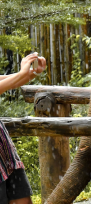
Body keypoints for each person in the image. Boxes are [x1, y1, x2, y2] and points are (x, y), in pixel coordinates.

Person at [0, 52, 46, 204]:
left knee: (23, 201)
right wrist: (22, 74)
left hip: (4, 154)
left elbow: (4, 80)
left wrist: (30, 73)